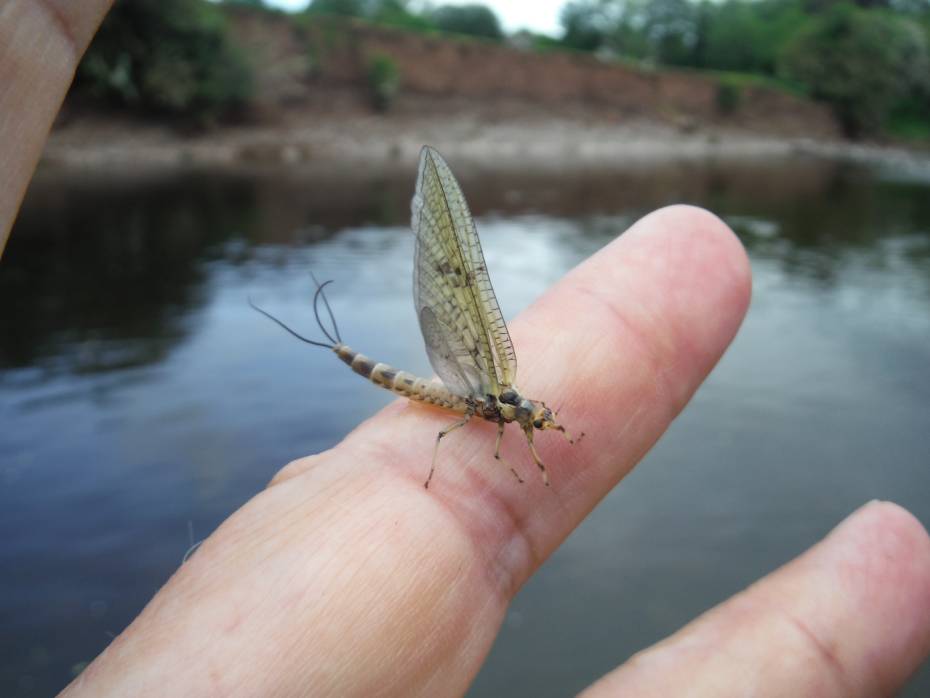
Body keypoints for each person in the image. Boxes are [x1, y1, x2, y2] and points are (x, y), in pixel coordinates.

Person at [4, 3, 930, 696]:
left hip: (449, 381)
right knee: (439, 424)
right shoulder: (487, 405)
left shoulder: (512, 399)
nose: (533, 423)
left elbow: (532, 430)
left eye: (531, 422)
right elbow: (468, 436)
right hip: (431, 390)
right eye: (532, 421)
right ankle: (343, 352)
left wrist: (535, 428)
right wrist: (471, 464)